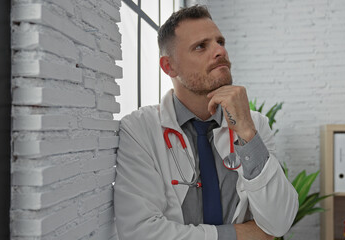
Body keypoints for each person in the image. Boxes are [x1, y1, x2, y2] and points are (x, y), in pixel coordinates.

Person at [114, 5, 298, 240]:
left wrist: (248, 134)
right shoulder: (140, 128)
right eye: (201, 46)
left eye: (220, 41)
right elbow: (140, 233)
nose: (220, 51)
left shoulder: (255, 126)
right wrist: (240, 235)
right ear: (169, 66)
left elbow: (279, 222)